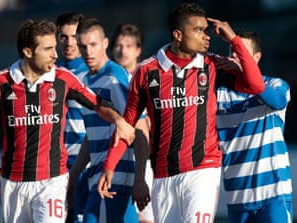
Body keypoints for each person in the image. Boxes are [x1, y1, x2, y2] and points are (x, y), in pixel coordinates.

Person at [98, 2, 265, 223]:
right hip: (163, 177)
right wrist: (109, 165)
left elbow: (256, 85)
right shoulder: (147, 72)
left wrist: (233, 39)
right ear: (178, 35)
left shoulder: (212, 65)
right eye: (198, 30)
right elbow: (127, 125)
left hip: (203, 170)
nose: (206, 36)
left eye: (206, 30)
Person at [0, 19, 134, 223]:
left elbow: (97, 104)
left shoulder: (63, 79)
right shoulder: (2, 82)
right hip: (12, 183)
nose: (56, 54)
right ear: (28, 52)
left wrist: (118, 121)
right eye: (48, 49)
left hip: (52, 182)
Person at [216, 29, 293, 223]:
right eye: (232, 50)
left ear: (256, 57)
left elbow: (276, 101)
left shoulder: (276, 85)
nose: (235, 55)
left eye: (240, 50)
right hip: (237, 201)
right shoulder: (218, 96)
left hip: (273, 196)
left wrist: (233, 38)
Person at [67, 16, 139, 223]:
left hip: (115, 177)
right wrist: (75, 175)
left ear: (105, 44)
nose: (88, 52)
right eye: (83, 46)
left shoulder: (114, 77)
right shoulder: (86, 81)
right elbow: (91, 136)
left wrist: (135, 175)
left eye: (93, 44)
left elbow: (132, 125)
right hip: (96, 177)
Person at [111, 23, 154, 223]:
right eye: (119, 45)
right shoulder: (108, 80)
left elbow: (144, 127)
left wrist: (142, 174)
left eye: (128, 46)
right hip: (115, 164)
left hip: (141, 164)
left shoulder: (145, 80)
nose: (122, 50)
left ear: (138, 50)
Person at [55, 12, 89, 223]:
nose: (69, 43)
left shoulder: (93, 73)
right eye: (63, 36)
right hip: (53, 169)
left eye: (74, 36)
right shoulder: (49, 74)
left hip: (83, 165)